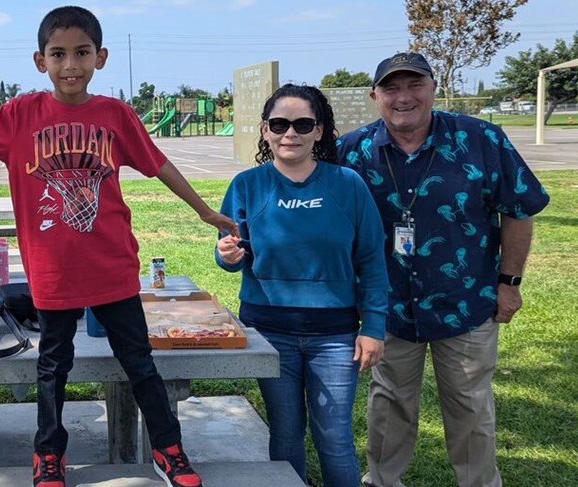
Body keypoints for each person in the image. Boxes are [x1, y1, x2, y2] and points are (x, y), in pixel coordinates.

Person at [0, 7, 237, 487]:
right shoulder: (21, 114)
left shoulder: (114, 114)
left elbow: (159, 166)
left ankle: (168, 448)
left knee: (138, 360)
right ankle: (48, 453)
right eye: (58, 54)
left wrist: (204, 211)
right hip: (52, 269)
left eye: (81, 53)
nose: (70, 64)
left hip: (112, 265)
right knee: (53, 364)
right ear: (40, 60)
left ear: (100, 57)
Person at [337, 53, 549, 487]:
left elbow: (519, 209)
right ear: (373, 96)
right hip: (388, 305)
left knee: (470, 406)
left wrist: (509, 284)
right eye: (391, 88)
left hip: (465, 302)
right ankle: (381, 481)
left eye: (414, 85)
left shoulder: (482, 140)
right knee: (388, 403)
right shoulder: (352, 151)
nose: (403, 97)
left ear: (433, 87)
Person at [214, 84, 387, 487]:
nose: (290, 133)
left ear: (320, 131)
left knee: (334, 437)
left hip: (335, 336)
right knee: (286, 434)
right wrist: (226, 255)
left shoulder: (347, 185)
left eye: (302, 124)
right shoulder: (246, 185)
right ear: (265, 130)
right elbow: (226, 255)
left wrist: (374, 328)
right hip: (269, 332)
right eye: (279, 124)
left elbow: (372, 262)